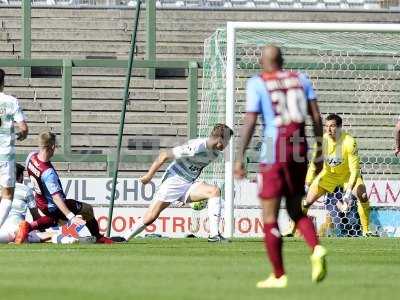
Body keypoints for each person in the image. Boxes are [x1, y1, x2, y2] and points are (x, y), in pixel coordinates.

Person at [234, 45, 327, 288]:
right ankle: (316, 248)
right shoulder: (301, 79)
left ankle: (278, 275)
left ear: (262, 61)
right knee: (296, 210)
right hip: (300, 148)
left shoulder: (258, 82)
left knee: (269, 217)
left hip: (275, 150)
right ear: (283, 60)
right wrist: (320, 153)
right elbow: (317, 118)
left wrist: (239, 156)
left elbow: (251, 120)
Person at [123, 123, 233, 242]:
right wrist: (148, 176)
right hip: (173, 181)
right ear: (220, 138)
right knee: (151, 217)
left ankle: (214, 235)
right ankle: (124, 237)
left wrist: (187, 193)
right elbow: (164, 155)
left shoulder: (215, 153)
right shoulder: (196, 146)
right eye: (227, 141)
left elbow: (197, 168)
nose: (227, 144)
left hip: (189, 183)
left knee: (214, 191)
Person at [15, 131, 113, 244]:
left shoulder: (31, 157)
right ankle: (98, 237)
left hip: (40, 201)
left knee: (55, 218)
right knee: (87, 209)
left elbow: (31, 173)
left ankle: (27, 226)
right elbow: (57, 198)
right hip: (53, 205)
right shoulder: (48, 173)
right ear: (52, 146)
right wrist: (71, 216)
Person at [303, 113, 373, 236]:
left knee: (363, 194)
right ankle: (292, 230)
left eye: (333, 126)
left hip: (347, 176)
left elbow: (354, 170)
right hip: (328, 176)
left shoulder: (349, 142)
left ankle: (367, 230)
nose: (329, 129)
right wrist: (307, 184)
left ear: (340, 127)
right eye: (327, 126)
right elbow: (313, 166)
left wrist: (348, 192)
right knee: (306, 201)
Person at [0, 68, 29, 228]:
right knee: (7, 195)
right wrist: (21, 135)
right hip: (5, 155)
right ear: (2, 83)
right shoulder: (11, 101)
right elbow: (23, 128)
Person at [0, 163, 49, 243]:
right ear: (20, 177)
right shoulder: (26, 190)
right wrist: (43, 231)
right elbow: (35, 215)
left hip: (4, 228)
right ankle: (21, 237)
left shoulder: (2, 190)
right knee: (50, 235)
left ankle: (18, 238)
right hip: (19, 226)